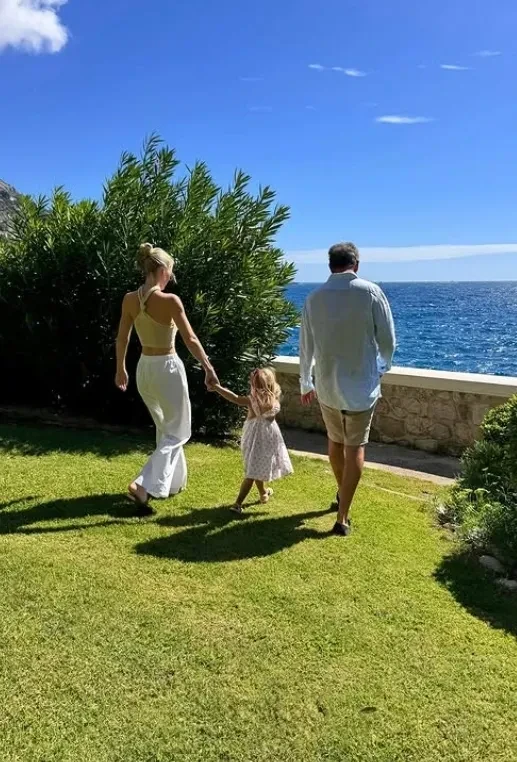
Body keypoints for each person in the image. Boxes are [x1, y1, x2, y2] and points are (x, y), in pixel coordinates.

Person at [299, 242, 395, 536]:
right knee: (354, 448)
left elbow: (305, 345)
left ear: (330, 265)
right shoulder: (371, 293)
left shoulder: (314, 298)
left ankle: (343, 497)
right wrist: (383, 366)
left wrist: (306, 381)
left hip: (327, 386)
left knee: (335, 444)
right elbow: (387, 340)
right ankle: (342, 516)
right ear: (357, 264)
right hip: (361, 388)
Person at [115, 242, 218, 512]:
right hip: (167, 367)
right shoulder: (170, 301)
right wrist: (208, 367)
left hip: (144, 368)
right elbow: (191, 339)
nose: (170, 277)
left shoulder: (129, 299)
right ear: (161, 270)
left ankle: (170, 483)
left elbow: (122, 338)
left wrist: (120, 368)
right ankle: (142, 484)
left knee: (165, 428)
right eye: (169, 271)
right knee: (179, 430)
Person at [210, 368, 293, 513]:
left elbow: (234, 398)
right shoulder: (274, 401)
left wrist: (217, 387)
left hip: (254, 438)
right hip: (267, 439)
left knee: (252, 471)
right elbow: (269, 418)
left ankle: (240, 503)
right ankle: (261, 494)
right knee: (255, 468)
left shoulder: (251, 400)